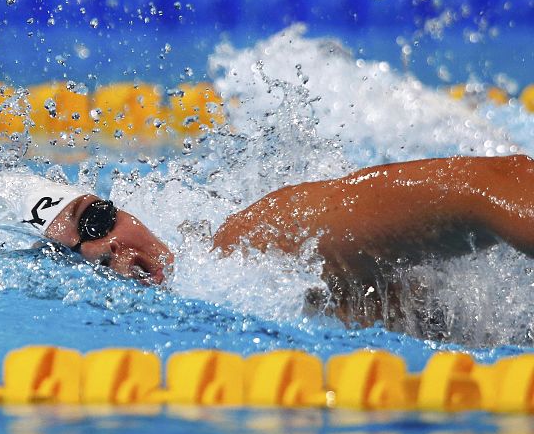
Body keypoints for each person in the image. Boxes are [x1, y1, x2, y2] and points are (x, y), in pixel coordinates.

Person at [29, 155, 534, 328]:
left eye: (97, 220)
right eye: (82, 258)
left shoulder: (251, 243)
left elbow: (493, 184)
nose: (110, 252)